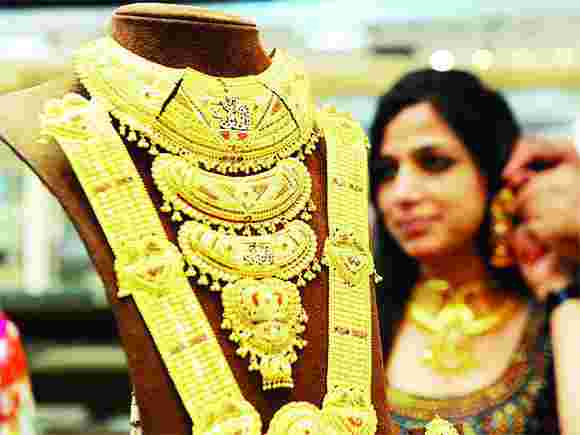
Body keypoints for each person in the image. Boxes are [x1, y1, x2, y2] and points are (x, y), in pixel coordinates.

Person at [369, 68, 577, 434]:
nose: (401, 194)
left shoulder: (556, 307)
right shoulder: (355, 323)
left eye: (434, 162)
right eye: (387, 171)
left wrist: (562, 289)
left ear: (494, 171)